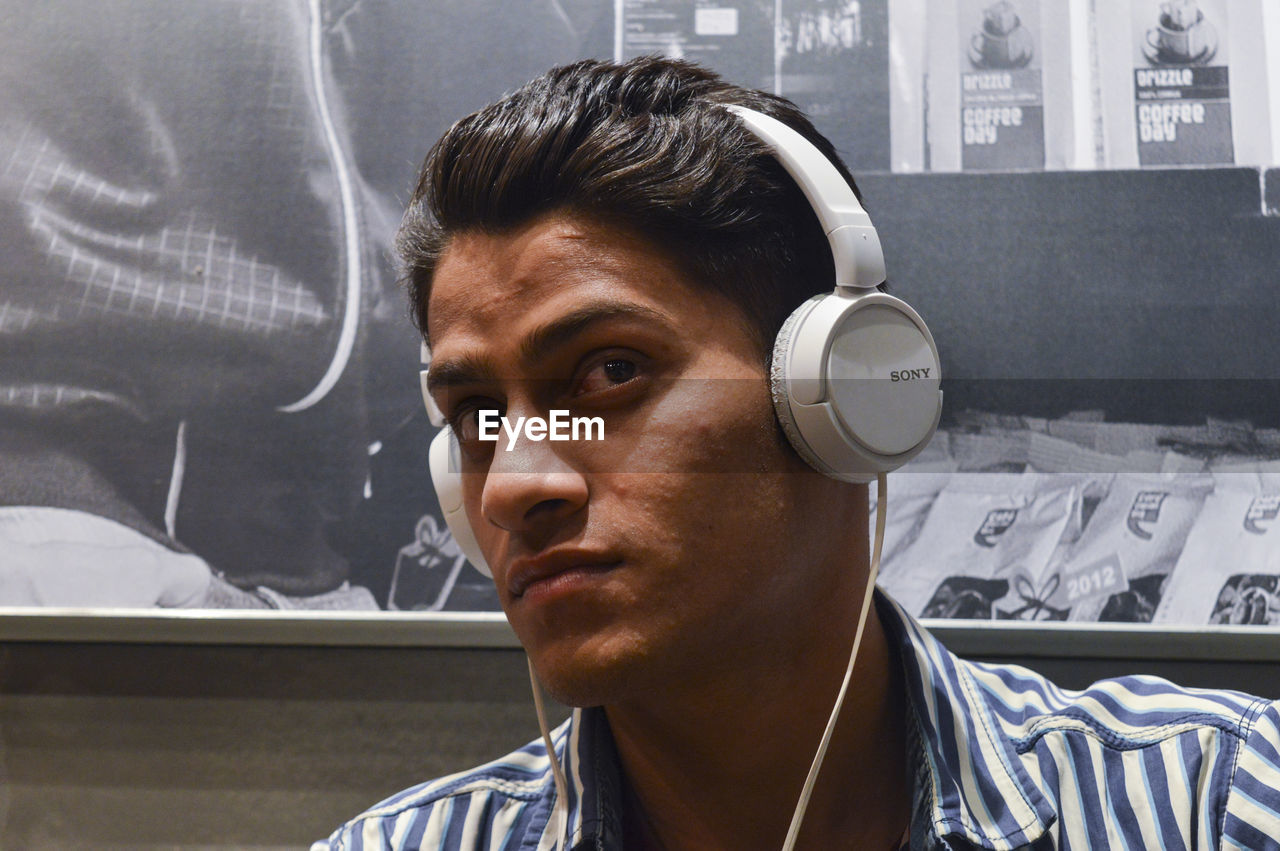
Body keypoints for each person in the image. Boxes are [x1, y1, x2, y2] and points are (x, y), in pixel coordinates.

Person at [318, 57, 1280, 850]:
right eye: (478, 414)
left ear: (843, 389)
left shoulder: (1217, 804)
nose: (518, 483)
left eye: (610, 371)